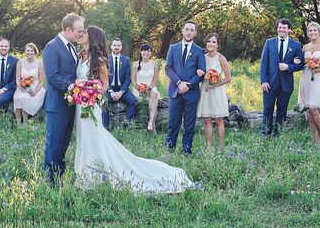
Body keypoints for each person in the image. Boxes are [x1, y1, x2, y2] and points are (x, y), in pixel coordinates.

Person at [75, 25, 192, 193]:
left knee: (94, 136)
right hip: (80, 104)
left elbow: (104, 84)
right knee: (84, 136)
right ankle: (86, 172)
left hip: (90, 104)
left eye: (84, 33)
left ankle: (98, 171)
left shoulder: (98, 60)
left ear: (92, 38)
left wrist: (90, 92)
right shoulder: (81, 55)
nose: (81, 34)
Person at [43, 13, 85, 183]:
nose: (81, 34)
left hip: (70, 104)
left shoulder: (72, 47)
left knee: (64, 142)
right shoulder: (52, 47)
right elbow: (53, 77)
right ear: (68, 30)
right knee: (54, 143)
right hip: (57, 105)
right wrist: (74, 87)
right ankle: (50, 181)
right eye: (79, 31)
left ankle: (59, 176)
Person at [165, 20, 206, 154]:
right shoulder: (173, 48)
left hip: (191, 92)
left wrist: (188, 84)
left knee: (189, 124)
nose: (189, 32)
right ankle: (169, 148)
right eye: (187, 29)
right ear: (182, 31)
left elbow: (201, 72)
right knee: (173, 122)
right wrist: (179, 83)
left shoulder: (199, 51)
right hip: (175, 90)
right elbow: (168, 68)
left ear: (195, 33)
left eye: (192, 30)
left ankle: (187, 150)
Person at [259, 18, 304, 137]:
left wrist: (288, 66)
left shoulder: (296, 45)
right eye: (279, 27)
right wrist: (263, 81)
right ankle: (265, 134)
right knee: (267, 109)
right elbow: (263, 63)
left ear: (289, 29)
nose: (281, 30)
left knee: (282, 111)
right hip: (270, 83)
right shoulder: (269, 42)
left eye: (284, 28)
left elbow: (300, 64)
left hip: (286, 84)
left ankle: (278, 134)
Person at [196, 33, 232, 150]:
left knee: (218, 119)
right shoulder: (203, 57)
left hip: (217, 91)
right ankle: (209, 146)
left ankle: (220, 146)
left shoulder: (221, 58)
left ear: (217, 45)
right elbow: (199, 73)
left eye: (213, 42)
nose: (210, 44)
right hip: (205, 90)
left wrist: (215, 84)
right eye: (209, 41)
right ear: (206, 43)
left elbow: (228, 77)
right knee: (207, 120)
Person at [102, 37, 136, 129]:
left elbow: (128, 78)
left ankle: (127, 126)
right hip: (109, 89)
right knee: (103, 101)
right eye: (115, 45)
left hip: (122, 90)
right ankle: (105, 128)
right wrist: (110, 91)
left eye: (118, 45)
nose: (116, 47)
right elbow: (103, 78)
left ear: (121, 47)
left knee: (132, 101)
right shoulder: (105, 60)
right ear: (111, 47)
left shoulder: (126, 60)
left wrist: (121, 92)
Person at [13, 42, 45, 123]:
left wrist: (35, 91)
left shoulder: (40, 63)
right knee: (17, 98)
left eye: (32, 51)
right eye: (28, 50)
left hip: (35, 87)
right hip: (22, 86)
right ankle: (18, 123)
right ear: (25, 51)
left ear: (35, 52)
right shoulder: (20, 62)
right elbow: (17, 80)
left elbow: (41, 81)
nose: (29, 52)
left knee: (24, 98)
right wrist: (21, 87)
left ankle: (25, 123)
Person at [132, 44, 160, 133]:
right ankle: (153, 128)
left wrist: (150, 88)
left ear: (151, 53)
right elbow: (133, 80)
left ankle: (150, 122)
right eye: (144, 50)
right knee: (153, 102)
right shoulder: (135, 64)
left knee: (154, 94)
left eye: (148, 51)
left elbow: (155, 79)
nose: (146, 52)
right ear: (141, 52)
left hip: (150, 88)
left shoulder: (155, 64)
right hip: (138, 89)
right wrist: (139, 89)